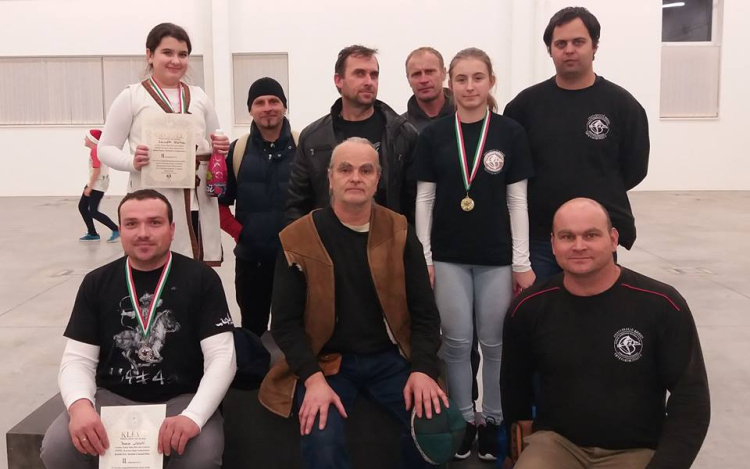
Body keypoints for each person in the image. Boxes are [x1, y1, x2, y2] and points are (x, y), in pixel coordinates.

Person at [260, 138, 444, 469]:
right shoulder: (297, 238)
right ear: (330, 178)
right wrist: (312, 378)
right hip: (327, 363)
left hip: (390, 359)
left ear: (378, 179)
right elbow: (285, 324)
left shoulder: (400, 231)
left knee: (435, 428)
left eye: (366, 170)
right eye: (345, 169)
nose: (355, 177)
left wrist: (422, 369)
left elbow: (425, 314)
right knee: (321, 440)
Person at [501, 197, 710, 469]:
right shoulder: (528, 308)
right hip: (556, 444)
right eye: (567, 236)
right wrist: (519, 451)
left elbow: (691, 398)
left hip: (635, 450)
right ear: (553, 244)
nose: (578, 246)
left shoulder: (662, 305)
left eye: (591, 235)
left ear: (613, 239)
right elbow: (514, 389)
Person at [40, 189, 237, 469]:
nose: (143, 233)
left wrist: (192, 416)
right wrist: (80, 406)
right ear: (120, 230)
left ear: (172, 229)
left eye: (154, 222)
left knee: (201, 457)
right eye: (131, 224)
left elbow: (222, 357)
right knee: (58, 448)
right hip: (111, 399)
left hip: (181, 400)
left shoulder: (202, 279)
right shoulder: (97, 282)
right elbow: (77, 359)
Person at [413, 48, 535, 461]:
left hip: (496, 257)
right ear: (451, 84)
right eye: (461, 79)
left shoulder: (510, 133)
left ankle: (495, 421)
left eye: (477, 78)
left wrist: (521, 262)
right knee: (456, 343)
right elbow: (424, 199)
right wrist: (425, 257)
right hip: (448, 256)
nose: (469, 87)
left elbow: (517, 202)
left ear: (491, 82)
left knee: (496, 343)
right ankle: (465, 420)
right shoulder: (434, 135)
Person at [503, 7, 649, 282]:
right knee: (543, 306)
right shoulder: (524, 106)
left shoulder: (622, 106)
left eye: (578, 42)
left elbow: (634, 169)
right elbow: (512, 171)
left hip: (596, 237)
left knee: (594, 307)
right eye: (560, 44)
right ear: (550, 50)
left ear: (594, 46)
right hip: (540, 238)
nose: (569, 50)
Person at [98, 22, 229, 265]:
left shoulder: (199, 96)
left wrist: (220, 147)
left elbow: (215, 141)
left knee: (195, 271)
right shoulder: (132, 96)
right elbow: (104, 148)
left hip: (198, 202)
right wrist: (132, 162)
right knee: (156, 266)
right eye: (167, 52)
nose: (176, 61)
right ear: (150, 55)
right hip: (152, 201)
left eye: (183, 54)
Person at [285, 45, 419, 224]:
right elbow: (297, 204)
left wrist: (405, 240)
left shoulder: (403, 134)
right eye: (359, 74)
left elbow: (414, 204)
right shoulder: (313, 138)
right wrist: (306, 241)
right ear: (338, 80)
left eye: (374, 75)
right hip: (328, 239)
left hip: (387, 238)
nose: (369, 82)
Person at [219, 77, 296, 336]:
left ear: (284, 106)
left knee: (294, 331)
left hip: (296, 262)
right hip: (252, 262)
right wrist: (242, 234)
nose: (267, 108)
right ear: (250, 110)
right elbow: (219, 205)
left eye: (274, 101)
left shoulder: (303, 147)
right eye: (259, 103)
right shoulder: (237, 151)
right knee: (253, 332)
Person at [77, 129, 120, 243]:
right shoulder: (98, 150)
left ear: (92, 140)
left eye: (86, 137)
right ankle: (92, 233)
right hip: (97, 183)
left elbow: (97, 170)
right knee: (82, 207)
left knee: (93, 211)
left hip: (97, 185)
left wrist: (90, 187)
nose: (84, 139)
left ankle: (116, 229)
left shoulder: (95, 151)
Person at [402, 47, 454, 132]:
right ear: (408, 80)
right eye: (416, 74)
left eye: (429, 72)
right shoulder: (400, 129)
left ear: (443, 73)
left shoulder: (466, 117)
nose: (424, 80)